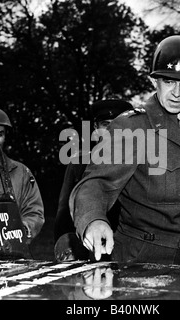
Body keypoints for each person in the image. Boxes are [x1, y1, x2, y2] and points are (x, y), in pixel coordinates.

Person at [69, 35, 180, 265]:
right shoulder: (134, 125)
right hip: (144, 258)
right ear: (153, 81)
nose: (177, 92)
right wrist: (93, 220)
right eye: (168, 81)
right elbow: (96, 182)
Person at [54, 99, 133, 261]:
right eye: (105, 124)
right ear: (96, 128)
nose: (111, 130)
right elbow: (64, 212)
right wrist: (67, 245)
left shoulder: (140, 160)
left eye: (118, 124)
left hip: (130, 248)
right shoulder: (79, 163)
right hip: (92, 245)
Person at [0, 107, 45, 243]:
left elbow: (34, 213)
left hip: (10, 248)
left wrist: (22, 229)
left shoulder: (21, 172)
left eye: (0, 134)